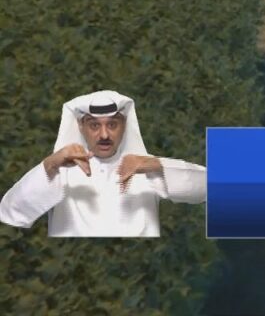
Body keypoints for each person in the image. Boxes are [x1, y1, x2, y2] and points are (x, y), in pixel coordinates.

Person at [0, 91, 207, 237]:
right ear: (81, 126)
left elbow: (213, 187)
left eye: (112, 124)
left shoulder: (147, 168)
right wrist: (50, 165)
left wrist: (155, 165)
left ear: (124, 125)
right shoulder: (59, 170)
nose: (104, 135)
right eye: (94, 125)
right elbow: (11, 213)